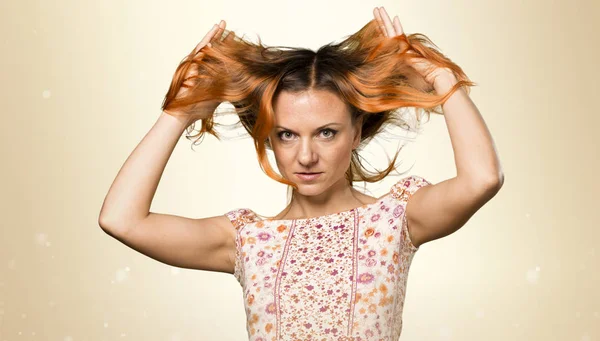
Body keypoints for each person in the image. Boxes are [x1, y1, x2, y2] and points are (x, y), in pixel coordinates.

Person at [98, 6, 504, 340]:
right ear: (269, 138)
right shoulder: (248, 240)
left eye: (326, 132)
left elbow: (482, 179)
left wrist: (444, 82)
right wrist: (179, 113)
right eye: (287, 134)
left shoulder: (395, 219)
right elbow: (120, 219)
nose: (306, 155)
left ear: (357, 131)